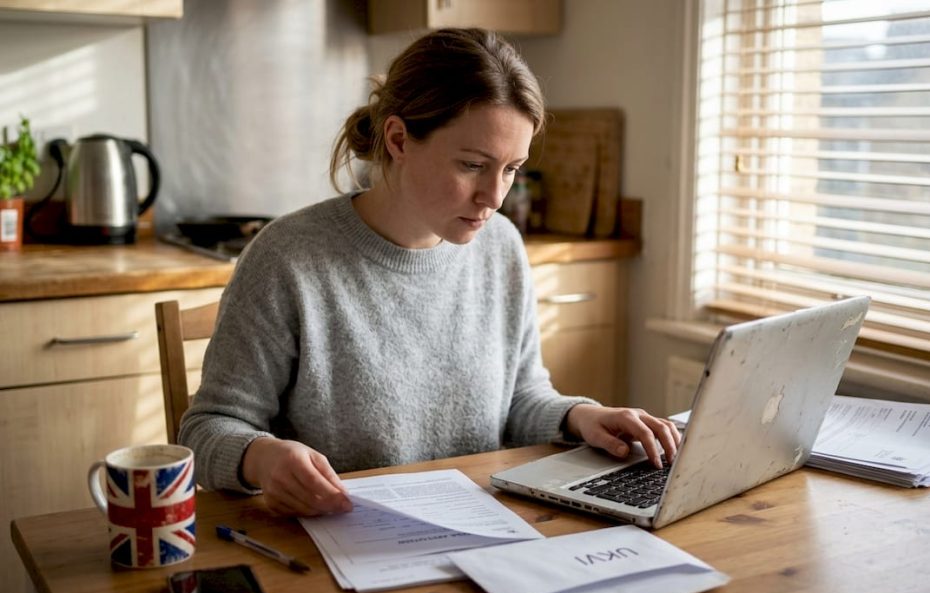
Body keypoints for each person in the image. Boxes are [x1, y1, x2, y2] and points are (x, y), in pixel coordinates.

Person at [179, 27, 681, 517]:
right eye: (472, 165)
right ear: (399, 139)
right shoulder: (287, 258)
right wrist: (261, 457)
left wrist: (581, 416)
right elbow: (207, 429)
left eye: (511, 169)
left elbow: (520, 397)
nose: (495, 197)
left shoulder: (501, 245)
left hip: (481, 526)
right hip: (340, 538)